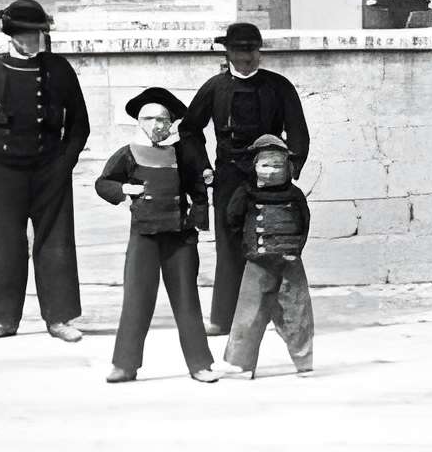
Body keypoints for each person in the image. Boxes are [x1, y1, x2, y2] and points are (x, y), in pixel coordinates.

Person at [0, 0, 89, 342]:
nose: (31, 40)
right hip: (4, 172)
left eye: (36, 34)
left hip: (50, 169)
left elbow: (79, 125)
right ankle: (2, 319)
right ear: (10, 34)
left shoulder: (59, 69)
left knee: (56, 242)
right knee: (5, 244)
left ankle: (59, 318)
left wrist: (65, 162)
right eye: (23, 34)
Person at [186, 21, 310, 337]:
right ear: (227, 52)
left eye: (251, 51)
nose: (245, 58)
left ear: (259, 52)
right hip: (228, 177)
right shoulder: (215, 87)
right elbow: (189, 129)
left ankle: (278, 316)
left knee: (273, 241)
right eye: (238, 51)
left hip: (269, 177)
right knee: (229, 246)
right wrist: (203, 167)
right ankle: (224, 318)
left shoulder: (279, 87)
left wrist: (289, 168)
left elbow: (298, 130)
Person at [96, 86, 218, 386]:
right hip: (144, 236)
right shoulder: (128, 153)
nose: (155, 125)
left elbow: (198, 191)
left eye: (162, 119)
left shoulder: (182, 152)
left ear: (171, 123)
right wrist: (124, 189)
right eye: (148, 119)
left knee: (187, 300)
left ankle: (200, 364)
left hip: (179, 237)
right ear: (139, 122)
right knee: (136, 299)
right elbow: (103, 183)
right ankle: (125, 365)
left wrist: (195, 223)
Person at [217, 133, 313, 378]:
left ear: (288, 168)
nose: (271, 172)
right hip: (258, 262)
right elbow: (233, 220)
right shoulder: (245, 193)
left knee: (297, 311)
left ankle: (304, 361)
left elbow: (303, 223)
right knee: (249, 312)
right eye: (265, 165)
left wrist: (294, 249)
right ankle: (240, 363)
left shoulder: (295, 195)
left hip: (290, 262)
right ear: (255, 166)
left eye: (277, 166)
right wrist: (248, 247)